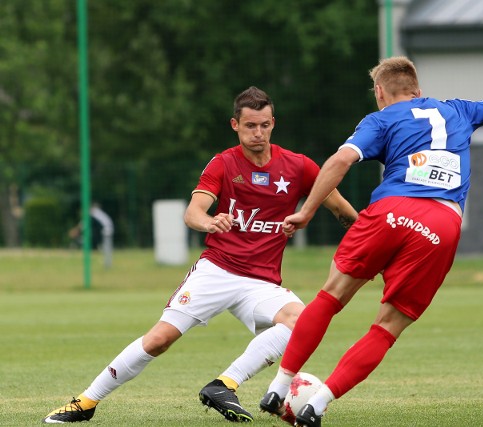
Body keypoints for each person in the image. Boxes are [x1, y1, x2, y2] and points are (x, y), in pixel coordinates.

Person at [43, 86, 358, 424]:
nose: (258, 133)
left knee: (303, 322)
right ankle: (86, 402)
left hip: (261, 282)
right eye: (250, 125)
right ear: (234, 125)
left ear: (273, 123)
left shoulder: (299, 167)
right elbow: (193, 213)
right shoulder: (223, 163)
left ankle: (225, 384)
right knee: (159, 339)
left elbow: (343, 212)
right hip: (217, 271)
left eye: (265, 125)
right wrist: (211, 222)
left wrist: (373, 245)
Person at [259, 56, 483, 426]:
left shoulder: (380, 118)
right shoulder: (458, 110)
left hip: (391, 210)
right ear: (418, 89)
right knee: (387, 327)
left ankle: (279, 386)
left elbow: (340, 160)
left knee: (330, 297)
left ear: (379, 92)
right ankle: (316, 405)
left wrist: (307, 211)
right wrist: (472, 112)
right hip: (442, 224)